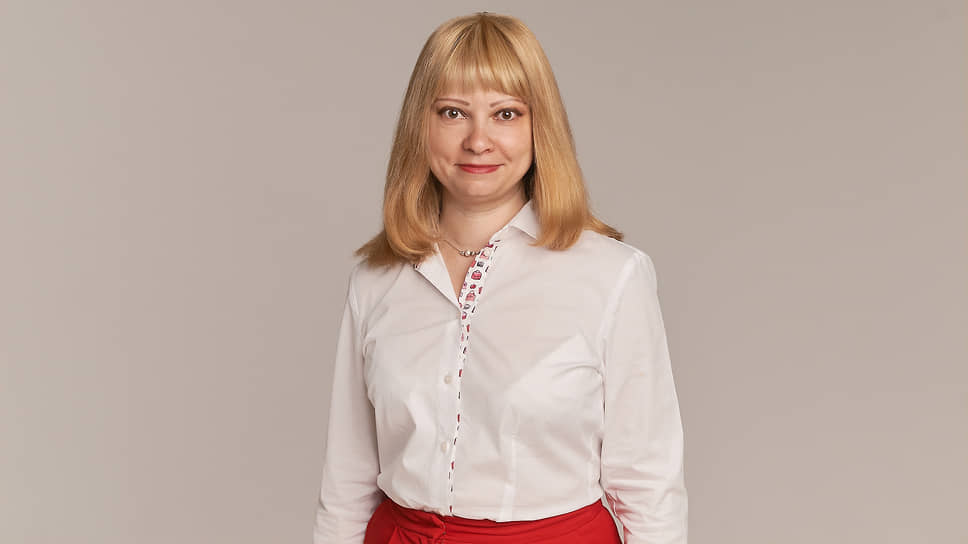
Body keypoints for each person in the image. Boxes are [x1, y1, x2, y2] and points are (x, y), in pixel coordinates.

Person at [313, 11, 687, 544]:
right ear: (420, 124)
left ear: (540, 127)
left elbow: (650, 490)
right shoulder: (375, 280)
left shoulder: (613, 276)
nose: (478, 140)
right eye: (453, 112)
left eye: (506, 113)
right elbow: (345, 486)